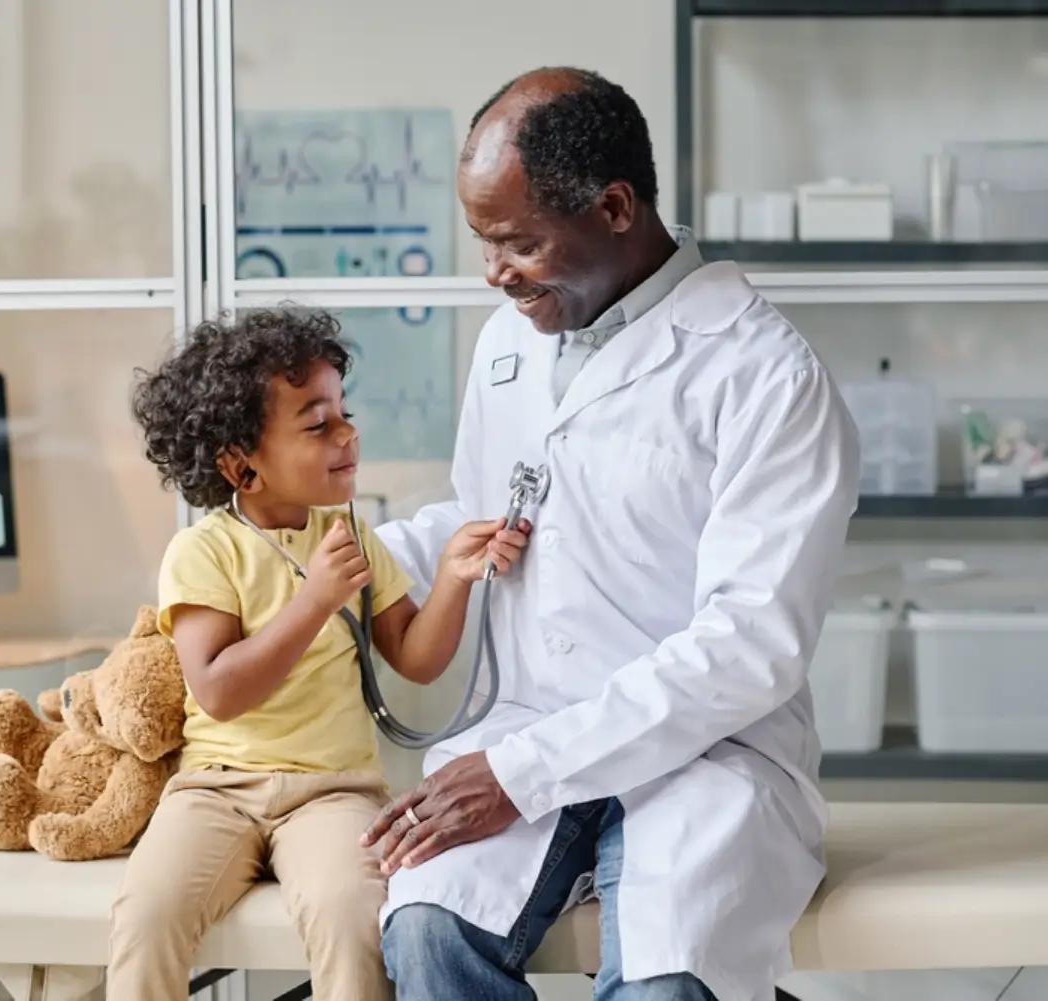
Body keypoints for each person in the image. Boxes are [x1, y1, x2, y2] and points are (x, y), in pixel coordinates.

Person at [362, 67, 861, 1001]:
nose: (494, 273)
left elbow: (748, 646)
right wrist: (352, 564)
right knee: (428, 932)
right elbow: (479, 513)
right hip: (524, 716)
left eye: (520, 243)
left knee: (667, 979)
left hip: (707, 756)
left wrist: (523, 773)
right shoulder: (510, 341)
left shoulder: (765, 375)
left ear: (616, 207)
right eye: (484, 242)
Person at [111, 307, 531, 1001]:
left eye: (344, 412)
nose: (347, 434)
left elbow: (416, 658)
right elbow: (218, 690)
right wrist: (316, 598)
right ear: (241, 466)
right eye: (317, 425)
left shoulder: (351, 535)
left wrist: (455, 577)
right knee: (147, 914)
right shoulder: (203, 551)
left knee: (354, 917)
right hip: (217, 787)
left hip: (334, 791)